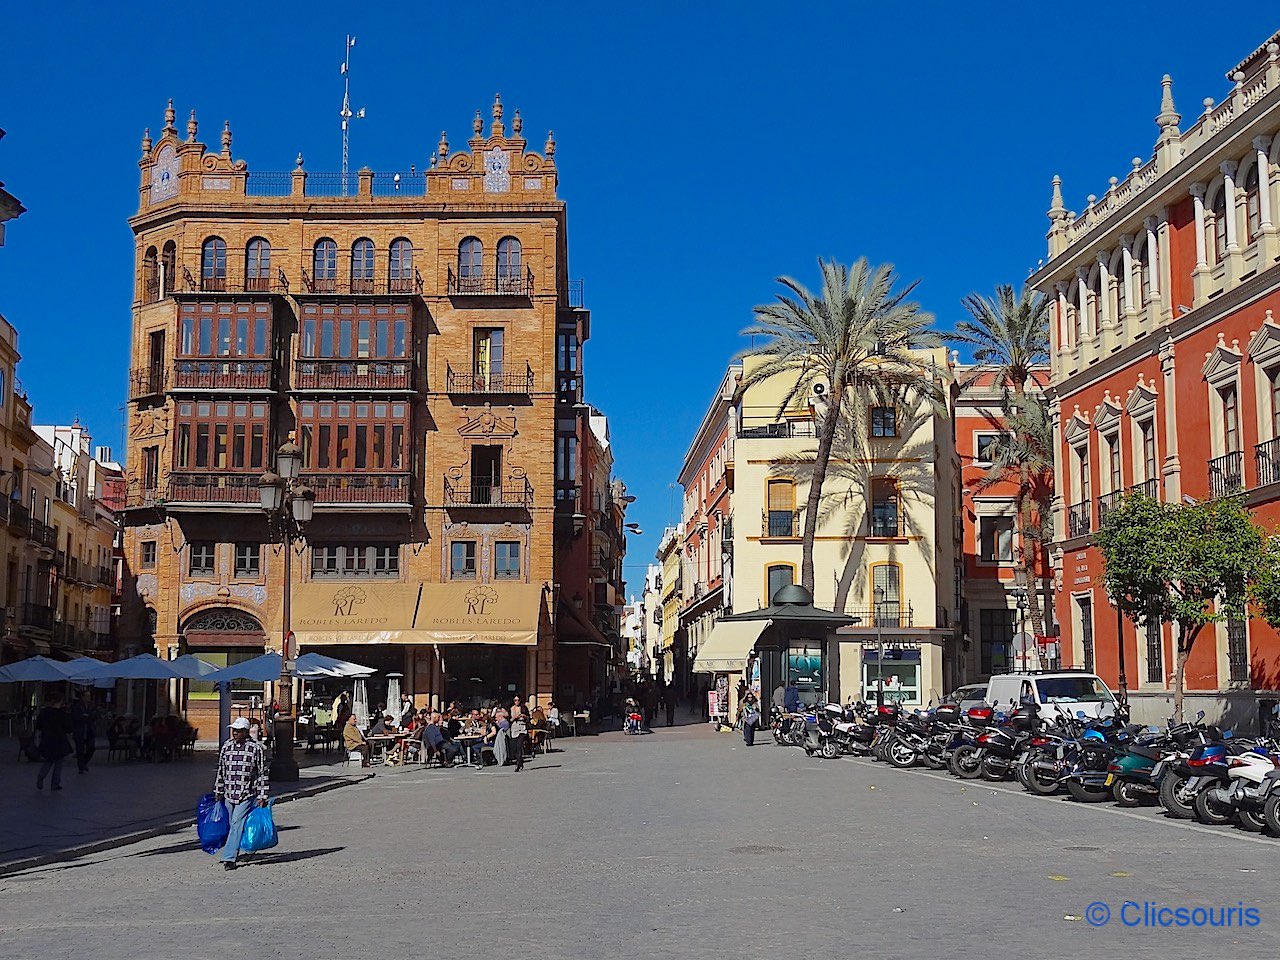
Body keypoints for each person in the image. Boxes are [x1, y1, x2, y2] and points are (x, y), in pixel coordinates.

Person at [212, 717, 269, 871]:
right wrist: (218, 790)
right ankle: (238, 846)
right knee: (233, 825)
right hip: (229, 793)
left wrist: (262, 795)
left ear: (245, 731)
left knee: (237, 823)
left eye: (238, 730)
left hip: (246, 794)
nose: (235, 733)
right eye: (234, 730)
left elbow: (262, 773)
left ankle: (229, 858)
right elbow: (221, 770)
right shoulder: (227, 746)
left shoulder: (255, 748)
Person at [35, 694, 74, 791]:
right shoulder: (62, 714)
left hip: (47, 740)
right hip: (59, 740)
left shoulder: (44, 713)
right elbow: (68, 728)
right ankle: (55, 784)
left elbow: (39, 726)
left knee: (49, 761)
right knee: (59, 763)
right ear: (61, 702)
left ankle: (41, 776)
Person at [71, 692, 98, 774]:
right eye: (87, 696)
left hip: (90, 731)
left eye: (89, 696)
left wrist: (87, 716)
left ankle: (84, 763)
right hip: (80, 731)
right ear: (82, 697)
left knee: (91, 748)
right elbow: (76, 717)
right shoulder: (78, 706)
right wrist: (85, 716)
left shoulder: (92, 706)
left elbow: (94, 715)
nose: (89, 698)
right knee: (80, 750)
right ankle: (81, 767)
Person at [509, 705, 529, 773]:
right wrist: (515, 717)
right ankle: (520, 762)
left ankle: (517, 764)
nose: (517, 702)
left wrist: (524, 716)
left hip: (522, 729)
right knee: (515, 747)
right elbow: (509, 720)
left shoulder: (524, 708)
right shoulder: (511, 708)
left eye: (518, 700)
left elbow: (529, 718)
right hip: (514, 728)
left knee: (519, 746)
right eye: (515, 700)